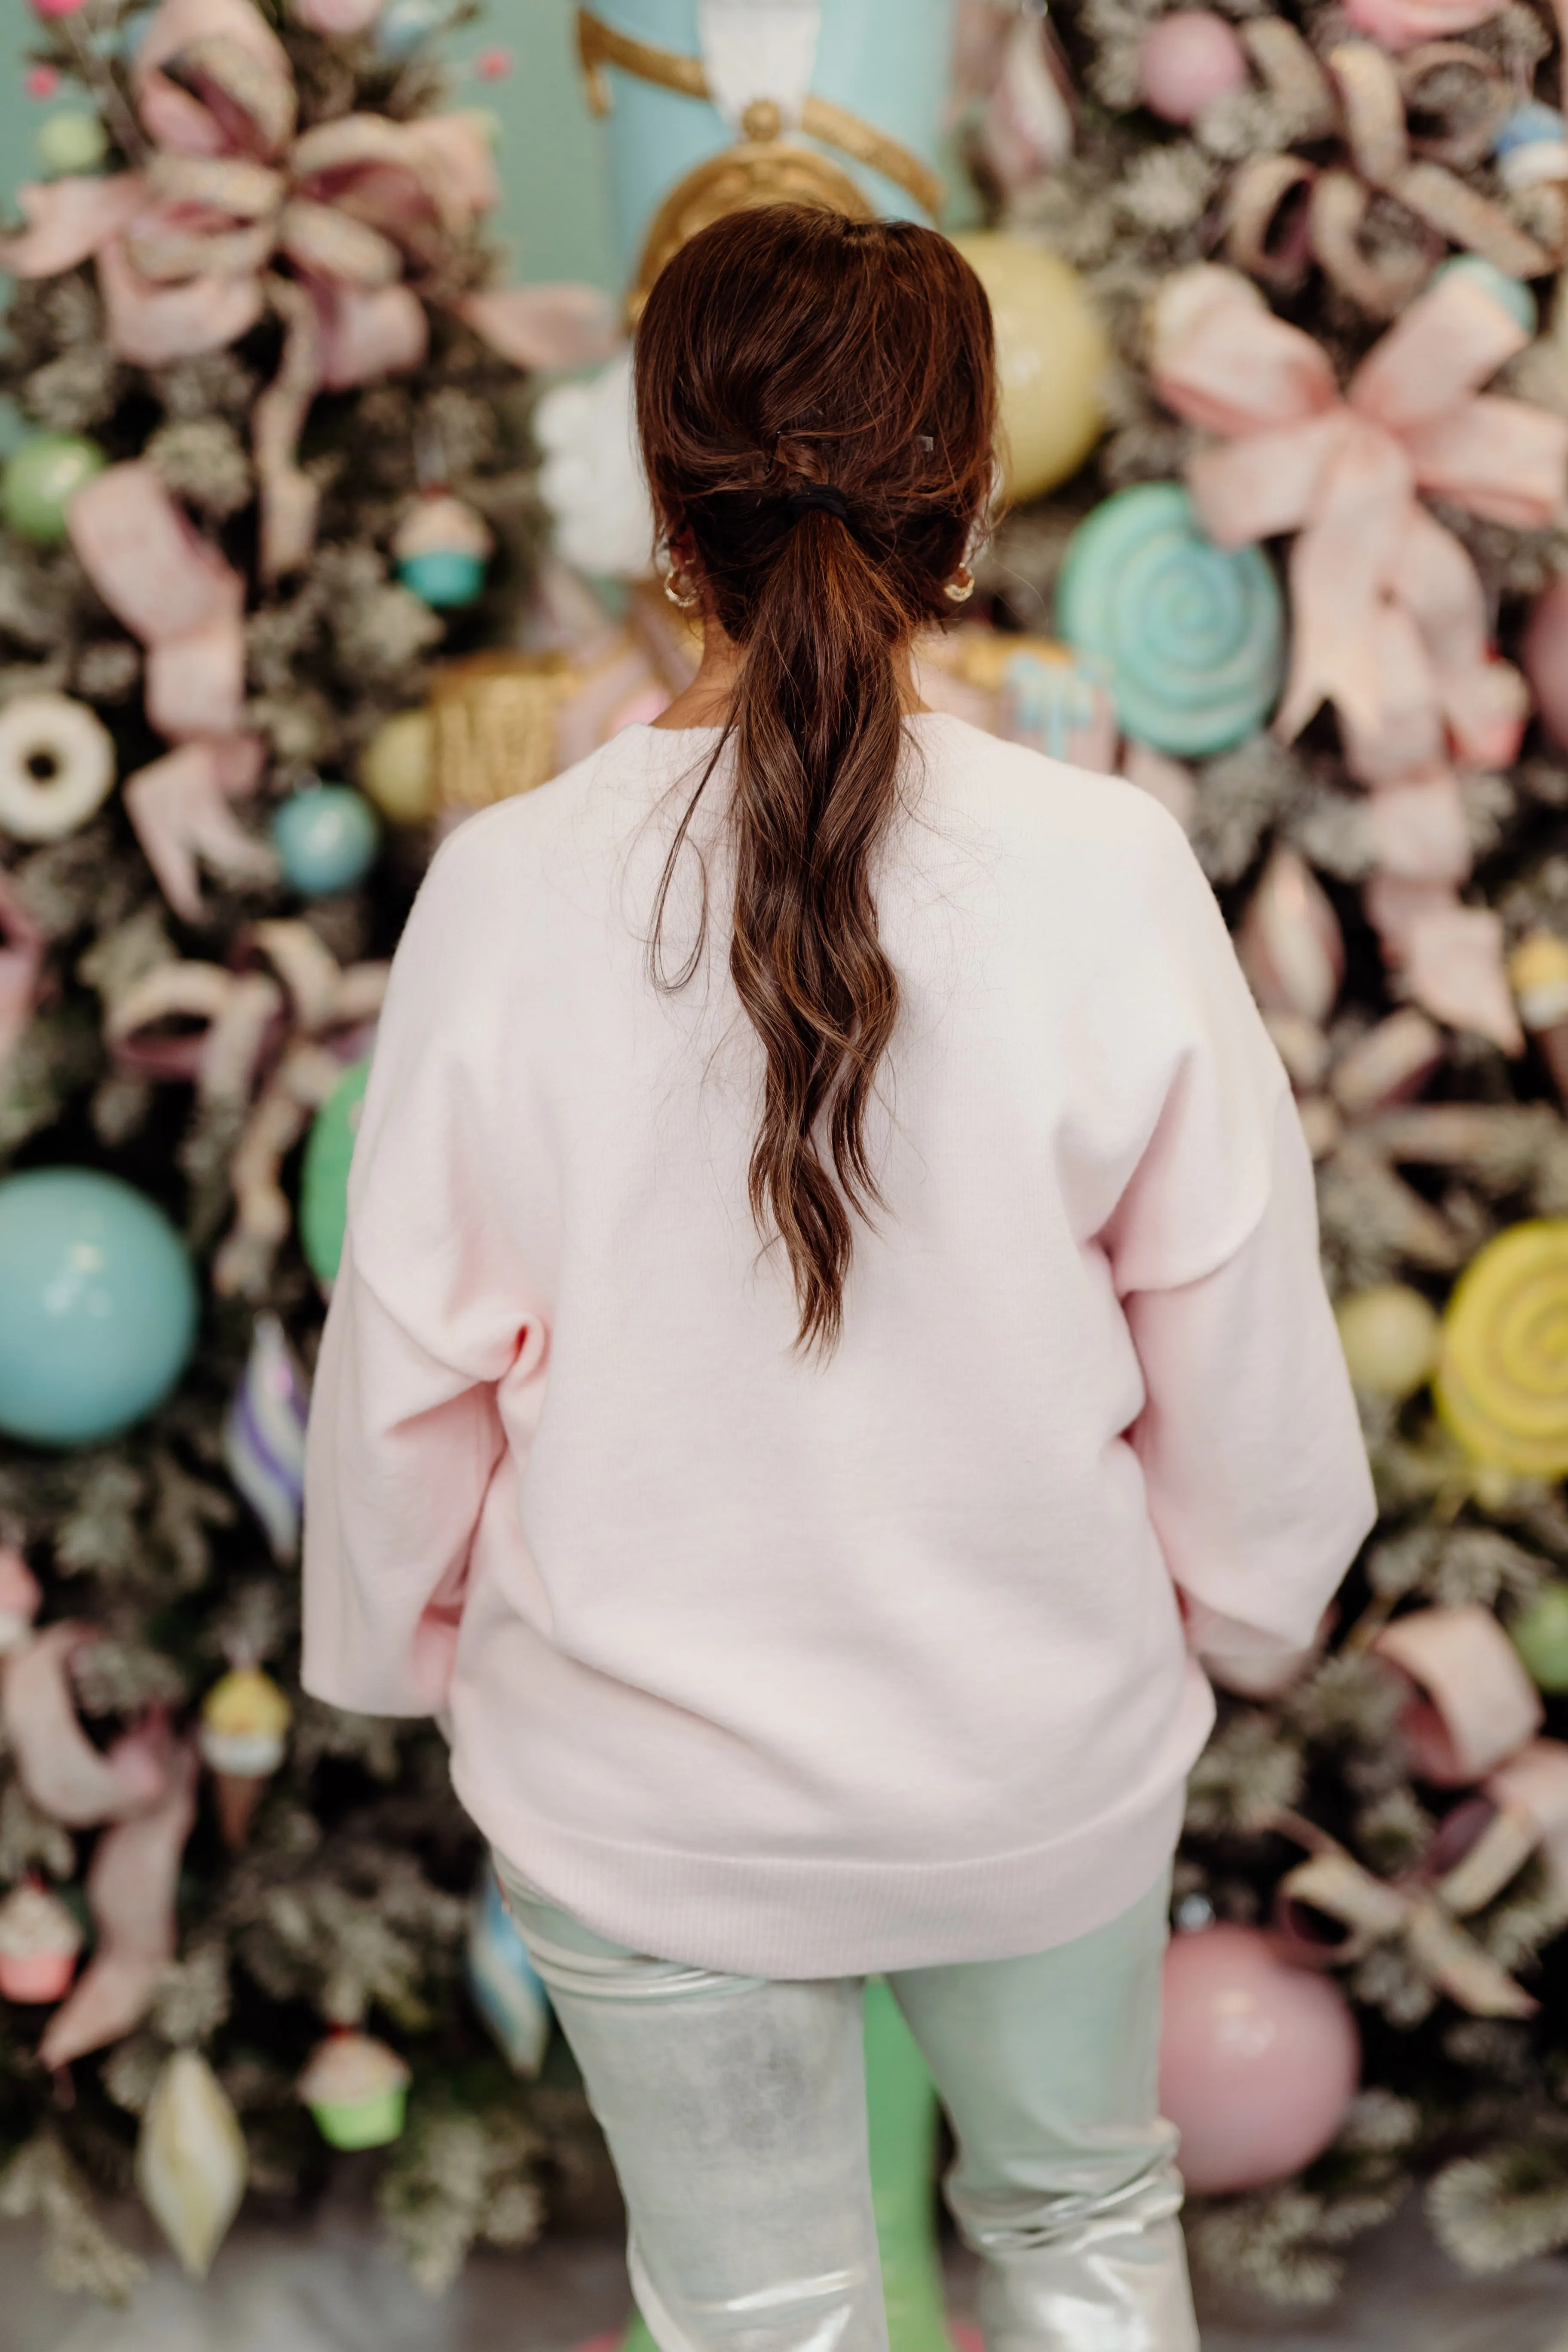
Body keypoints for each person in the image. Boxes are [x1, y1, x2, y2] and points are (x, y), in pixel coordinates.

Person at [301, 205, 1375, 2352]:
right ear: (969, 504)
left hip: (639, 1782)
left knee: (753, 2305)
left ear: (665, 501)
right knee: (1083, 2227)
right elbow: (1241, 1339)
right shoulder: (1107, 875)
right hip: (1033, 1764)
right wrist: (1248, 1602)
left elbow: (407, 1367)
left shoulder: (504, 895)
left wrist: (402, 1645)